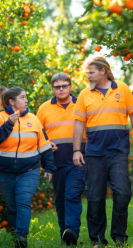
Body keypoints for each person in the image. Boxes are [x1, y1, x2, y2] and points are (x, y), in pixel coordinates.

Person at [72, 56, 133, 247]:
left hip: (118, 152)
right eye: (87, 72)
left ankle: (119, 237)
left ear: (103, 71)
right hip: (94, 153)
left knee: (123, 193)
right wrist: (77, 150)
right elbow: (79, 124)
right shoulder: (84, 95)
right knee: (95, 198)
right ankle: (97, 240)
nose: (88, 76)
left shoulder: (122, 89)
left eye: (91, 72)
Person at [0, 86, 55, 248]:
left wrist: (49, 167)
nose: (26, 100)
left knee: (23, 202)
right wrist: (9, 124)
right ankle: (15, 237)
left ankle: (21, 237)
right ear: (12, 101)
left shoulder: (33, 118)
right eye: (22, 97)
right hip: (4, 172)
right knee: (12, 207)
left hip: (29, 170)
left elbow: (44, 145)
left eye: (26, 97)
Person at [36, 73, 86, 246]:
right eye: (58, 86)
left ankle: (72, 230)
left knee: (72, 194)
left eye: (65, 85)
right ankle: (65, 234)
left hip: (78, 159)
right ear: (52, 88)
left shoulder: (81, 104)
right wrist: (46, 144)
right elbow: (37, 135)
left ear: (71, 87)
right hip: (56, 161)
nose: (61, 89)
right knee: (60, 198)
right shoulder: (44, 109)